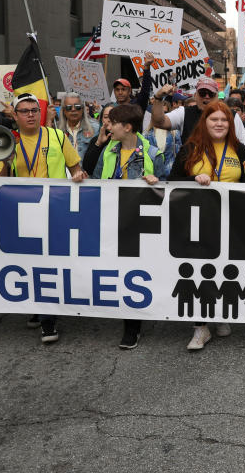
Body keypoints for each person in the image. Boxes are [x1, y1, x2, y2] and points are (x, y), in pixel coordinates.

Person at [169, 101, 245, 350]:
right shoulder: (190, 149)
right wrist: (192, 179)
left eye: (224, 120)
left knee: (225, 272)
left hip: (231, 224)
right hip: (196, 224)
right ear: (204, 122)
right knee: (198, 273)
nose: (219, 124)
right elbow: (172, 181)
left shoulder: (240, 151)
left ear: (230, 124)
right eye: (214, 119)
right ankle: (200, 328)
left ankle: (221, 314)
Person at [1, 93, 85, 344]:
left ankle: (49, 320)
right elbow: (1, 179)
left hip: (55, 210)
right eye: (24, 111)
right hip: (23, 211)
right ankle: (40, 307)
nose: (30, 114)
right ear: (14, 116)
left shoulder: (58, 136)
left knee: (50, 263)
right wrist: (4, 162)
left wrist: (79, 175)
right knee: (31, 264)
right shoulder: (8, 141)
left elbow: (76, 168)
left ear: (41, 112)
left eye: (34, 110)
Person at [91, 103, 164, 350]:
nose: (108, 126)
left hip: (141, 225)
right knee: (120, 272)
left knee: (137, 273)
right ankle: (130, 323)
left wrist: (158, 182)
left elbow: (169, 188)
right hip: (112, 221)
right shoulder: (108, 151)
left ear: (128, 127)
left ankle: (135, 324)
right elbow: (95, 180)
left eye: (113, 123)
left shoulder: (153, 154)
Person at [151, 76, 245, 142]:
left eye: (211, 93)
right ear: (195, 95)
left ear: (217, 96)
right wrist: (158, 98)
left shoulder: (232, 116)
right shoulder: (184, 113)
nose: (206, 97)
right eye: (202, 93)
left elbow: (241, 145)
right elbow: (159, 122)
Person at [57, 92, 97, 159]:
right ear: (63, 110)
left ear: (82, 109)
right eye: (69, 107)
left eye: (77, 107)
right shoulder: (56, 129)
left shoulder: (95, 128)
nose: (73, 109)